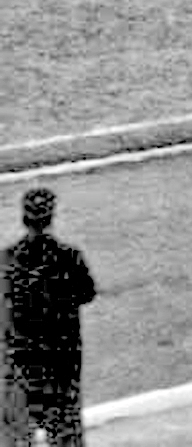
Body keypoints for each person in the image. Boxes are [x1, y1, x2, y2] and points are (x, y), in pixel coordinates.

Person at [3, 188, 96, 447]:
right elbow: (87, 293)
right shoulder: (68, 257)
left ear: (24, 219)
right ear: (51, 217)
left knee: (18, 436)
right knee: (66, 433)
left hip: (22, 364)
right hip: (61, 363)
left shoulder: (8, 260)